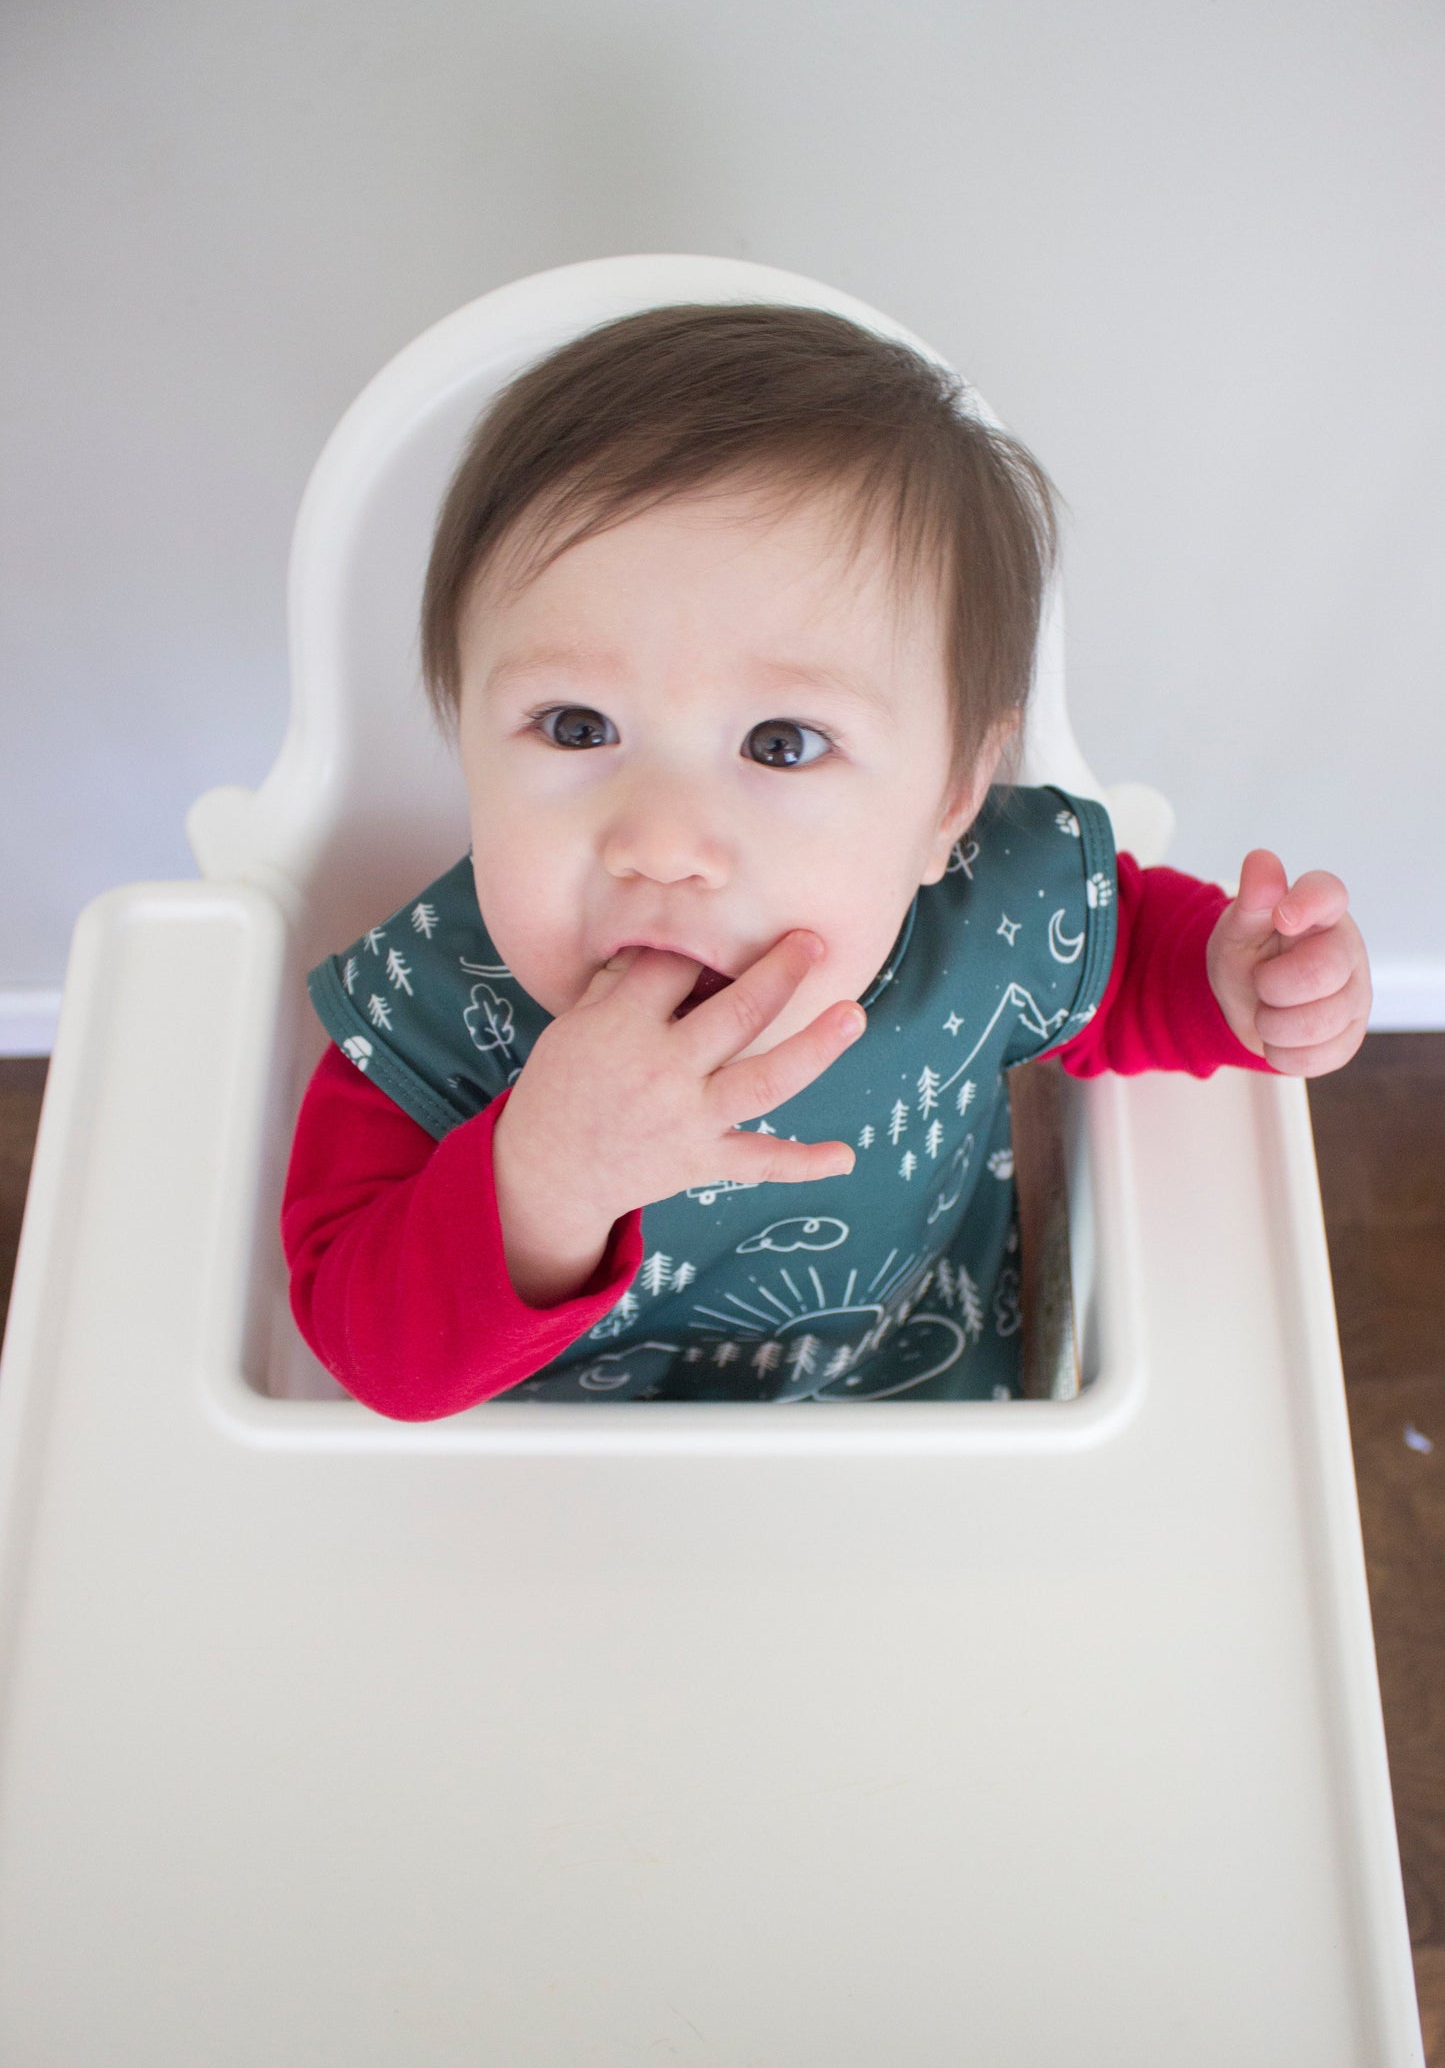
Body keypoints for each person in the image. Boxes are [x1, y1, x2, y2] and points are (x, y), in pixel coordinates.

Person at [282, 303, 1371, 1415]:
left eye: (781, 744)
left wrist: (1230, 984)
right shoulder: (424, 1015)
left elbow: (1124, 961)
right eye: (575, 727)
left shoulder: (983, 911)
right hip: (557, 1469)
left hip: (907, 1396)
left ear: (948, 799)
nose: (662, 844)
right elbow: (364, 1349)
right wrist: (540, 1184)